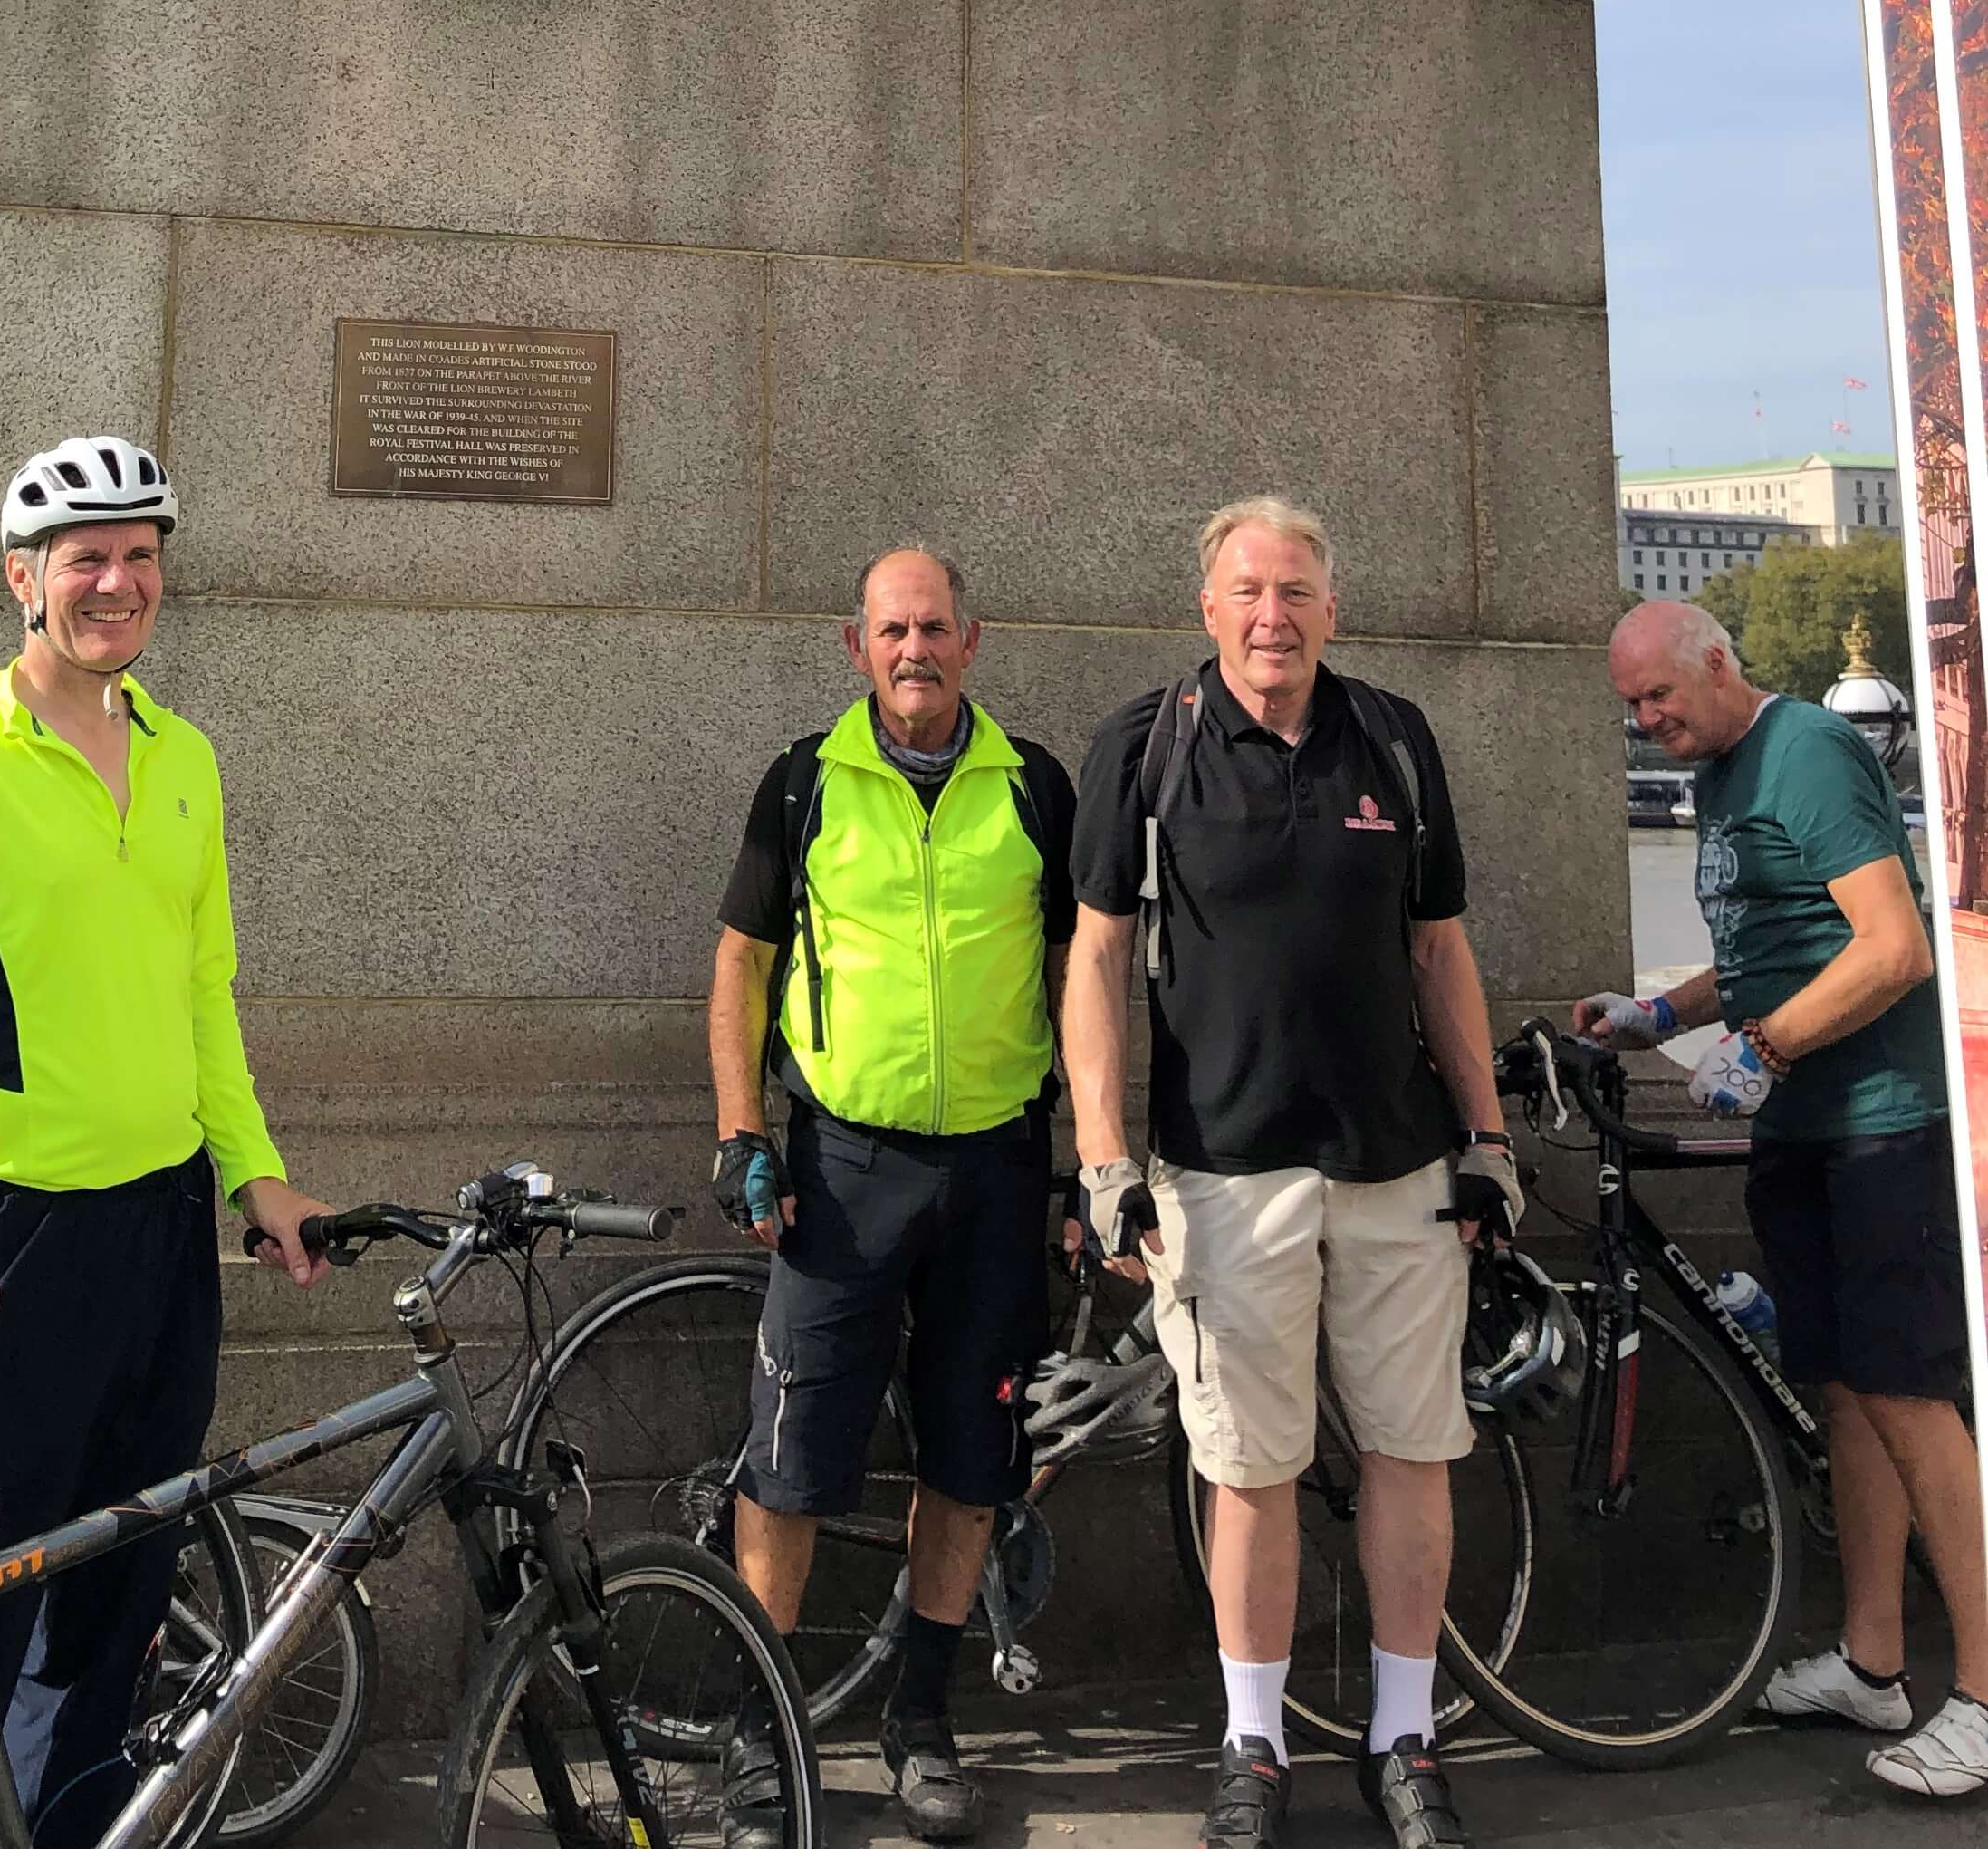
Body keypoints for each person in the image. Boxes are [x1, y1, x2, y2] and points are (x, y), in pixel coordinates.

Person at [0, 435, 331, 1849]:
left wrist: (254, 1172)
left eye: (140, 558)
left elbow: (200, 992)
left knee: (114, 1616)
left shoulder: (187, 760)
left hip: (162, 1236)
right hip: (5, 1242)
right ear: (22, 581)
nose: (116, 583)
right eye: (84, 560)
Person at [1063, 498, 1513, 1849]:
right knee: (1252, 1468)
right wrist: (1100, 1160)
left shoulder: (1394, 739)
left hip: (1395, 1164)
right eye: (1250, 591)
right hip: (1224, 1167)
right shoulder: (1148, 747)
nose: (1275, 616)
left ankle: (1405, 1738)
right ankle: (1252, 1746)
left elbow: (1440, 953)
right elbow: (1091, 959)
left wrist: (1486, 1136)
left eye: (1298, 591)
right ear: (1208, 610)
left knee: (1410, 1452)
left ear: (1332, 608)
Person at [1577, 600, 1988, 1800]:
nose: (1646, 723)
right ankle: (1872, 1660)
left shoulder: (1806, 747)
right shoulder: (1723, 770)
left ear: (1719, 663)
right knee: (1850, 1395)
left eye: (1658, 697)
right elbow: (1783, 942)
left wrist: (1760, 1048)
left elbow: (1894, 945)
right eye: (1630, 709)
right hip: (1810, 1129)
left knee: (1910, 1397)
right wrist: (1663, 1013)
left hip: (1886, 1126)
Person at [709, 544, 1077, 1844]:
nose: (914, 649)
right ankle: (762, 1736)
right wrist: (741, 1131)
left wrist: (1088, 1158)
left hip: (995, 1167)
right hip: (843, 1168)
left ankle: (921, 1719)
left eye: (934, 628)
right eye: (891, 630)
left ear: (973, 641)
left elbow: (1078, 982)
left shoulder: (1034, 785)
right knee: (794, 1462)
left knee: (971, 1462)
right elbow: (742, 965)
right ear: (852, 646)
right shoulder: (807, 781)